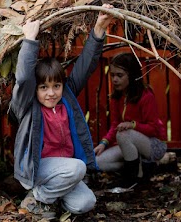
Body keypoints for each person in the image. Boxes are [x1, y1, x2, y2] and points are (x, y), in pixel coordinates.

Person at [9, 4, 113, 218]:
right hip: (38, 169)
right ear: (35, 89)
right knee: (77, 168)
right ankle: (40, 197)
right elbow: (23, 79)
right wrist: (30, 40)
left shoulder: (66, 98)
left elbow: (85, 66)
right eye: (44, 87)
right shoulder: (27, 106)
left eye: (56, 86)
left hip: (63, 172)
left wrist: (99, 29)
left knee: (86, 202)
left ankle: (48, 199)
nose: (51, 93)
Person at [94, 53, 167, 188]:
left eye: (120, 75)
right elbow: (115, 124)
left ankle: (132, 179)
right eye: (112, 75)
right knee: (98, 162)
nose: (115, 79)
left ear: (132, 75)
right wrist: (104, 143)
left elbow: (154, 128)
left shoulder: (146, 96)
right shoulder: (117, 97)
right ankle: (140, 168)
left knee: (123, 134)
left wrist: (133, 125)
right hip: (130, 145)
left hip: (154, 145)